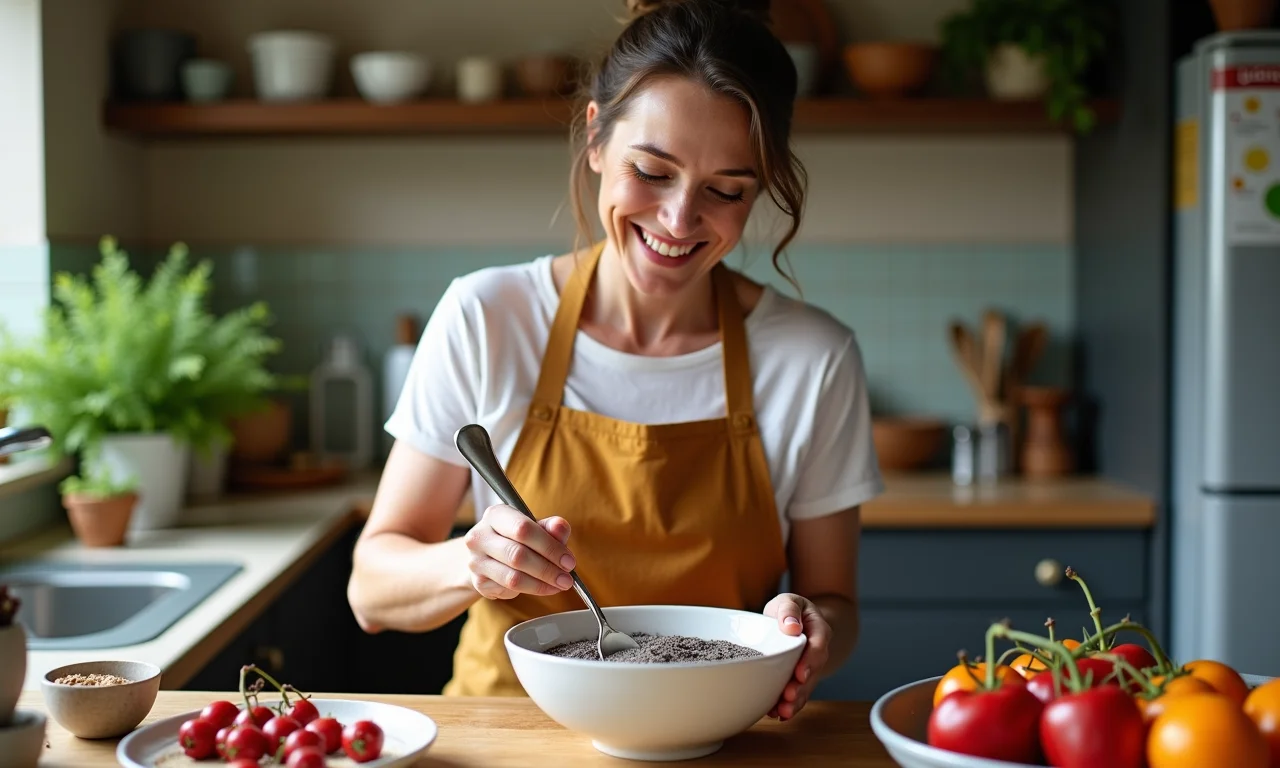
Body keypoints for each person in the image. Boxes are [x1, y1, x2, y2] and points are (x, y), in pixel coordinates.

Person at [347, 0, 883, 721]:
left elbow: (836, 603)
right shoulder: (488, 318)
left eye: (726, 190)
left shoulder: (813, 358)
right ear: (596, 137)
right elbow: (372, 592)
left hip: (718, 737)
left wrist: (813, 632)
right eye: (652, 171)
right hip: (507, 737)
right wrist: (469, 562)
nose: (679, 220)